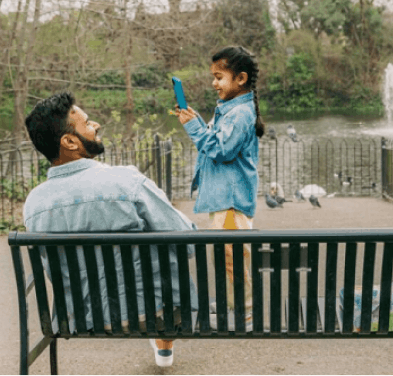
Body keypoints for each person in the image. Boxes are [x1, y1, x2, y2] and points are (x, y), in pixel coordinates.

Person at [23, 91, 197, 368]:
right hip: (154, 312)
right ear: (69, 141)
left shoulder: (34, 205)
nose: (96, 126)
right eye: (87, 123)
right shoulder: (126, 181)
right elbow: (188, 242)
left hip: (79, 319)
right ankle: (163, 341)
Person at [174, 46, 265, 328]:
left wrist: (194, 128)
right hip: (224, 199)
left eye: (219, 77)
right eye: (213, 77)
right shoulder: (229, 109)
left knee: (231, 260)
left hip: (231, 200)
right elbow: (214, 137)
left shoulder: (239, 114)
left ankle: (245, 314)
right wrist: (196, 121)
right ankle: (231, 303)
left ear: (240, 78)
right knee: (226, 257)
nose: (214, 83)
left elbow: (221, 149)